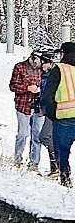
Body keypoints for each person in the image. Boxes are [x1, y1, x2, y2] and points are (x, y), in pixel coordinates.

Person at [40, 40, 75, 188]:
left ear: (63, 54)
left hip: (64, 118)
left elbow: (48, 96)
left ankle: (65, 179)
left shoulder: (59, 69)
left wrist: (51, 114)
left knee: (61, 152)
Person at [9, 49, 46, 170]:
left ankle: (34, 163)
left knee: (37, 136)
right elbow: (13, 86)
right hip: (23, 105)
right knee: (23, 134)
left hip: (38, 107)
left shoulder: (44, 69)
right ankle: (17, 159)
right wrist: (27, 88)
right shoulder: (20, 67)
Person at [38, 54, 60, 178]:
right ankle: (55, 168)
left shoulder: (53, 75)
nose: (42, 65)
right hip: (48, 110)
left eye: (44, 62)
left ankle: (57, 165)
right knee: (49, 137)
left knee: (45, 136)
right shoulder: (45, 75)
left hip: (54, 110)